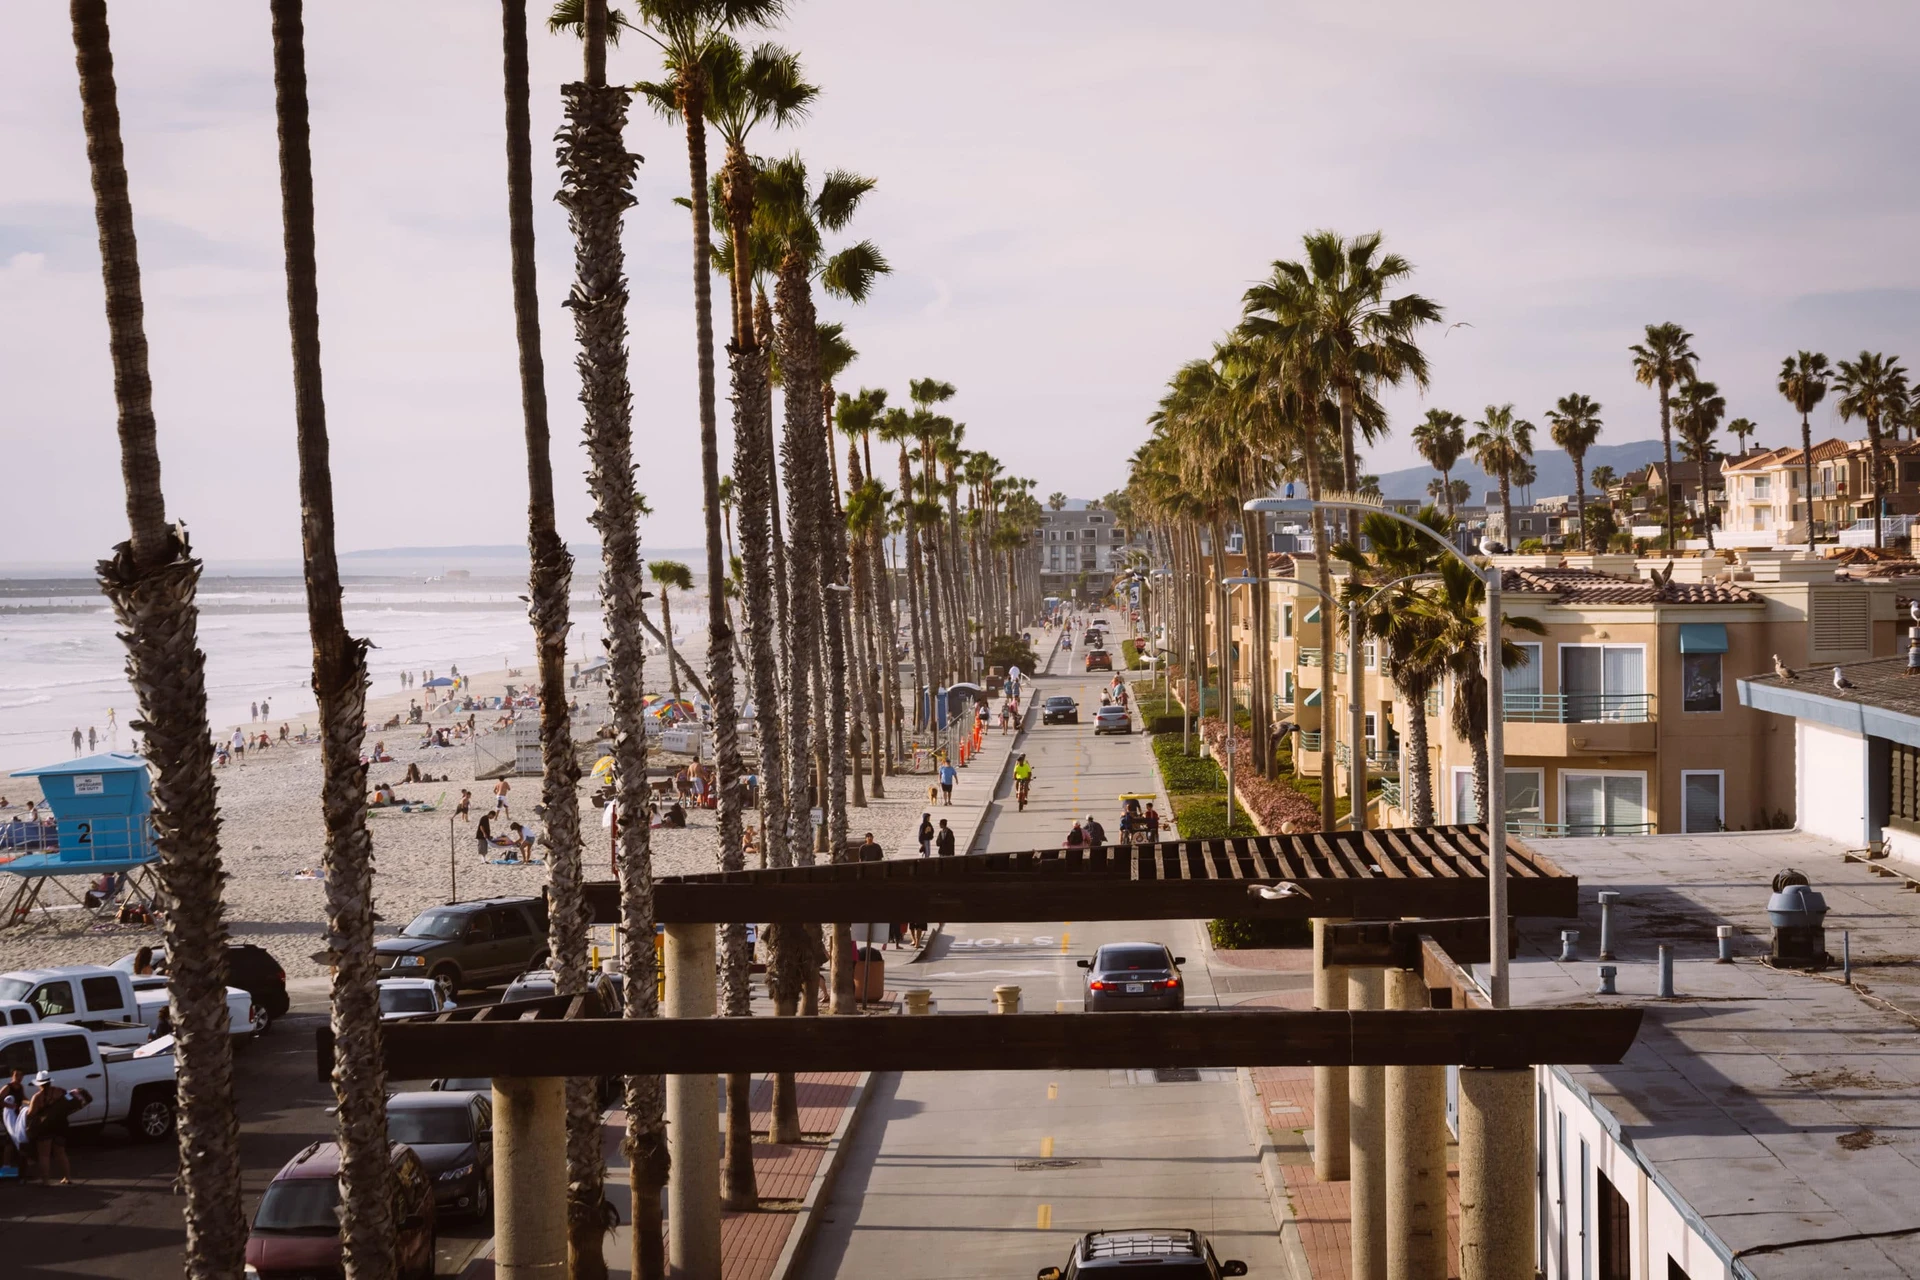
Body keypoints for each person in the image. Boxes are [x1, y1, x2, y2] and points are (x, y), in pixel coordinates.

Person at [26, 1073, 86, 1184]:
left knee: (44, 1154)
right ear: (50, 1081)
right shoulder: (60, 1091)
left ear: (39, 1084)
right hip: (61, 1125)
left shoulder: (37, 1097)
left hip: (45, 1127)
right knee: (61, 1152)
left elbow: (31, 1114)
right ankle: (67, 1177)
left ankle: (46, 1181)